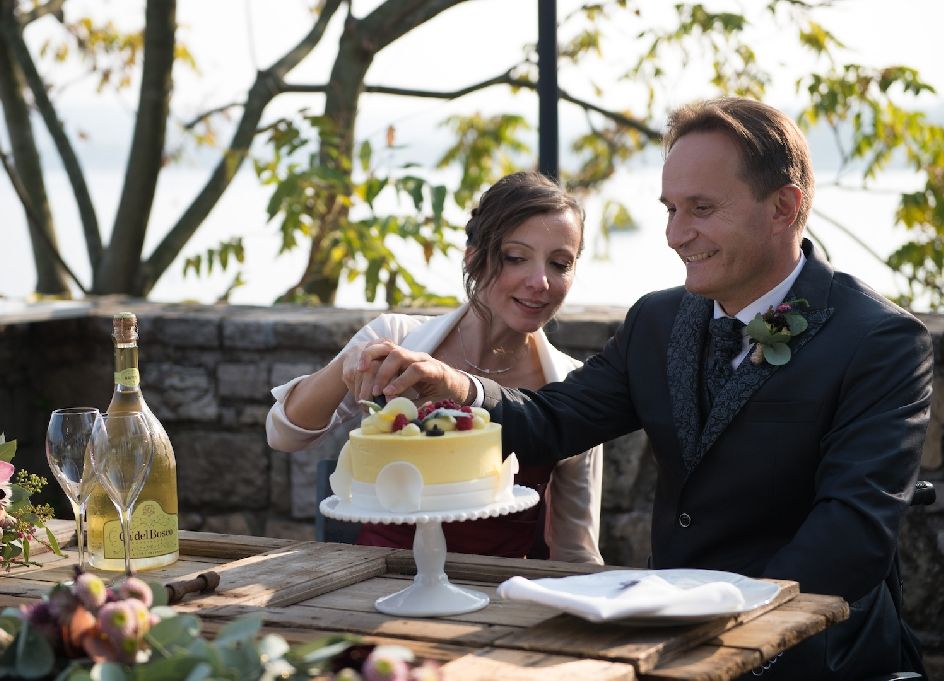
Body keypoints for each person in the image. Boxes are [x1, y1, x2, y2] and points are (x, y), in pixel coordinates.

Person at [356, 98, 931, 679]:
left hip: (815, 656)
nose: (675, 235)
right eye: (671, 209)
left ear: (784, 207)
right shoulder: (657, 322)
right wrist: (456, 387)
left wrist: (736, 638)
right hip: (670, 646)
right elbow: (551, 423)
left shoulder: (878, 340)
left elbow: (851, 534)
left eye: (701, 209)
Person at [266, 171, 604, 564]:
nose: (540, 282)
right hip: (380, 580)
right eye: (516, 258)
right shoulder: (397, 338)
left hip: (502, 595)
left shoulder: (569, 385)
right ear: (474, 257)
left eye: (560, 264)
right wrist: (351, 360)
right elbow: (283, 435)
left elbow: (575, 546)